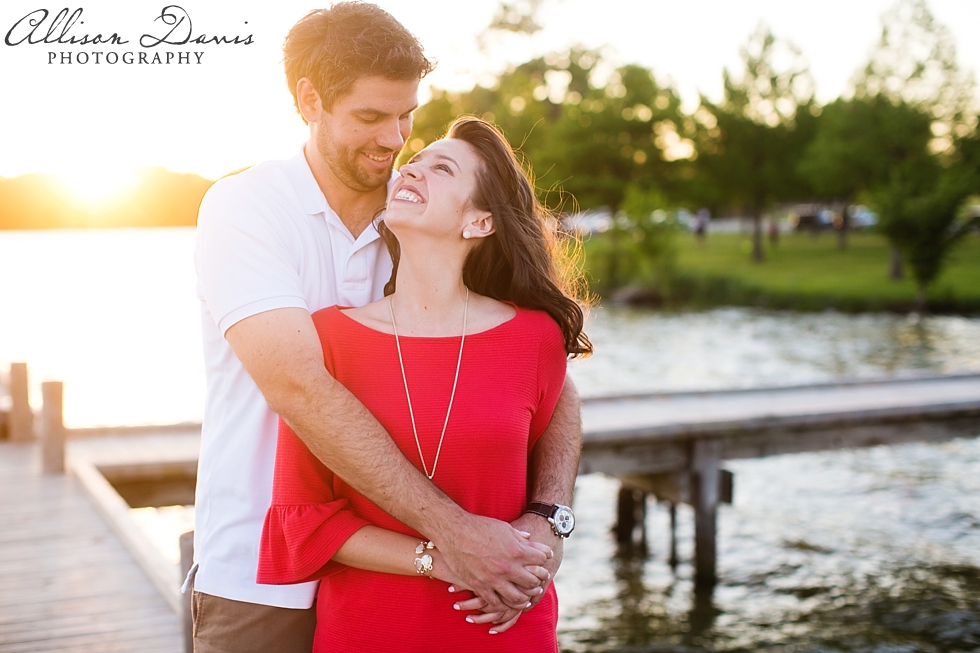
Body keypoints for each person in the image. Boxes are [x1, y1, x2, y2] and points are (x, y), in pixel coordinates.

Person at [191, 4, 583, 652]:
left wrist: (547, 515)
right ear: (309, 100)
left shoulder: (422, 214)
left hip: (402, 578)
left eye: (405, 116)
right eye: (371, 118)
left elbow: (543, 375)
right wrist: (455, 534)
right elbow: (300, 388)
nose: (394, 140)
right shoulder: (246, 208)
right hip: (262, 578)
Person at [257, 116, 592, 652]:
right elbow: (305, 520)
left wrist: (553, 523)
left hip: (505, 626)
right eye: (414, 160)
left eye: (441, 167)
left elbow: (557, 439)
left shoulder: (533, 338)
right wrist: (442, 559)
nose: (410, 168)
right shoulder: (328, 337)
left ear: (480, 222)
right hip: (370, 629)